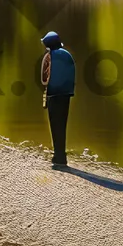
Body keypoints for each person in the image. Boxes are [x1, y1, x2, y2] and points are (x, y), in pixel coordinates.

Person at [40, 30, 75, 168]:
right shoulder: (67, 55)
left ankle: (59, 157)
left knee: (55, 126)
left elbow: (44, 78)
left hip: (54, 95)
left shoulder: (50, 56)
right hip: (66, 95)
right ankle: (62, 154)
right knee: (62, 125)